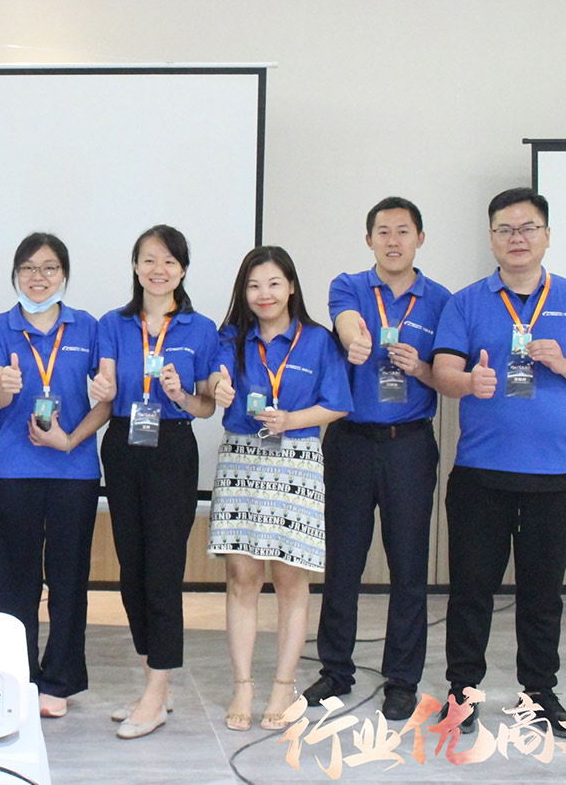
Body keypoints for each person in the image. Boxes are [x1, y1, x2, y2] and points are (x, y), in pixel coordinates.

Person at [303, 198, 450, 723]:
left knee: (408, 565)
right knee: (343, 560)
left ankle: (402, 679)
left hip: (409, 443)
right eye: (382, 231)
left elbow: (446, 374)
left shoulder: (442, 301)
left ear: (420, 239)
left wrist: (422, 368)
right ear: (369, 240)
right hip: (350, 441)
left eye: (403, 231)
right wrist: (354, 341)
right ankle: (335, 670)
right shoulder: (349, 286)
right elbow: (345, 322)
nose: (393, 240)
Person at [432, 187, 566, 736]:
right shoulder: (465, 302)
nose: (517, 238)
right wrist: (469, 382)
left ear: (547, 235)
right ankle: (462, 693)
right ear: (491, 238)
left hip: (555, 477)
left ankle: (539, 694)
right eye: (505, 229)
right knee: (470, 591)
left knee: (543, 595)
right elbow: (443, 372)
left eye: (528, 228)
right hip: (481, 474)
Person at [207, 245, 351, 731]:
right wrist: (217, 386)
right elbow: (214, 379)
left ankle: (283, 685)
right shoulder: (231, 337)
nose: (263, 294)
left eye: (272, 283)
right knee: (241, 577)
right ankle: (243, 685)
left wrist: (292, 419)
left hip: (296, 461)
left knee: (291, 580)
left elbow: (337, 403)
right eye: (253, 285)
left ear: (291, 287)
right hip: (243, 460)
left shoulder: (318, 340)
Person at [93, 225, 218, 739]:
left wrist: (182, 394)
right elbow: (105, 382)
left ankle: (158, 688)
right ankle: (154, 682)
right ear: (135, 266)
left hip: (172, 447)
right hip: (123, 443)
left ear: (182, 270)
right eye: (148, 259)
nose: (158, 269)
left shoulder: (200, 328)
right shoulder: (113, 323)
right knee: (132, 569)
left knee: (163, 570)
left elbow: (206, 406)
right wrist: (100, 386)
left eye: (168, 261)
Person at [0, 232, 110, 720]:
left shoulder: (88, 326)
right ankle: (18, 675)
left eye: (50, 267)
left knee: (69, 577)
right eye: (29, 268)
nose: (39, 277)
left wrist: (70, 440)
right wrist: (4, 385)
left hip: (75, 470)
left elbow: (107, 401)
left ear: (64, 275)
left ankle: (60, 679)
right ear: (16, 275)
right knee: (17, 579)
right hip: (17, 468)